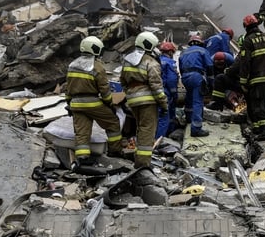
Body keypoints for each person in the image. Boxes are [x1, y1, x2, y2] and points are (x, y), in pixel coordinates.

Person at [65, 36, 123, 167]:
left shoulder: (72, 65)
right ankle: (115, 151)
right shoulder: (97, 66)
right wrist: (109, 104)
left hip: (76, 104)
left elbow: (68, 87)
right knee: (113, 123)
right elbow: (104, 89)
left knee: (82, 132)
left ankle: (82, 158)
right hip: (92, 103)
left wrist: (68, 103)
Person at [120, 32, 168, 167]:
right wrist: (164, 104)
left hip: (133, 101)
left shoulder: (127, 60)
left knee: (140, 128)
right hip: (148, 101)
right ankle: (143, 163)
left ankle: (138, 157)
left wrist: (130, 95)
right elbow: (156, 86)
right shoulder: (150, 62)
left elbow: (123, 81)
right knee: (147, 130)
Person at [240, 14, 265, 140]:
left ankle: (263, 131)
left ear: (245, 26)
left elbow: (245, 62)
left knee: (258, 104)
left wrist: (243, 81)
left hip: (258, 79)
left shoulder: (248, 41)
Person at [178, 34, 213, 137]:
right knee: (198, 101)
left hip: (185, 77)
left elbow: (181, 68)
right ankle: (196, 128)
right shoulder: (203, 51)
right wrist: (211, 82)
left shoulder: (183, 52)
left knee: (189, 97)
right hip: (196, 76)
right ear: (200, 43)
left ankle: (189, 119)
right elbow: (209, 66)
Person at [208, 35, 245, 111]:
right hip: (250, 82)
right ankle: (217, 102)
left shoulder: (231, 59)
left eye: (221, 64)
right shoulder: (210, 63)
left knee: (220, 79)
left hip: (242, 81)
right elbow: (210, 76)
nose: (219, 66)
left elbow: (234, 70)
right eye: (218, 64)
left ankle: (217, 103)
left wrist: (227, 72)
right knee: (217, 80)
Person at [155, 41, 179, 139]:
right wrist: (174, 94)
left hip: (155, 91)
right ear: (170, 52)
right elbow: (171, 80)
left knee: (158, 115)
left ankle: (164, 135)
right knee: (164, 116)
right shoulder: (170, 63)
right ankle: (159, 140)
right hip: (166, 92)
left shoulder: (156, 61)